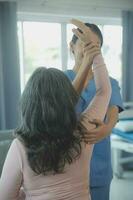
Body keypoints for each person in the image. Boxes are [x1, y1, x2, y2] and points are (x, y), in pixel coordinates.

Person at [0, 19, 111, 200]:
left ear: (29, 104)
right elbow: (104, 92)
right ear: (68, 100)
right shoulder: (83, 133)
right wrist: (94, 52)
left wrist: (27, 193)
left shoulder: (21, 146)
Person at [65, 22, 124, 200]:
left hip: (99, 165)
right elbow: (65, 102)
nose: (89, 49)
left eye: (95, 45)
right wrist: (87, 63)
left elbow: (113, 111)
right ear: (72, 46)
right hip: (66, 164)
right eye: (84, 43)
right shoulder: (60, 79)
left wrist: (107, 128)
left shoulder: (110, 82)